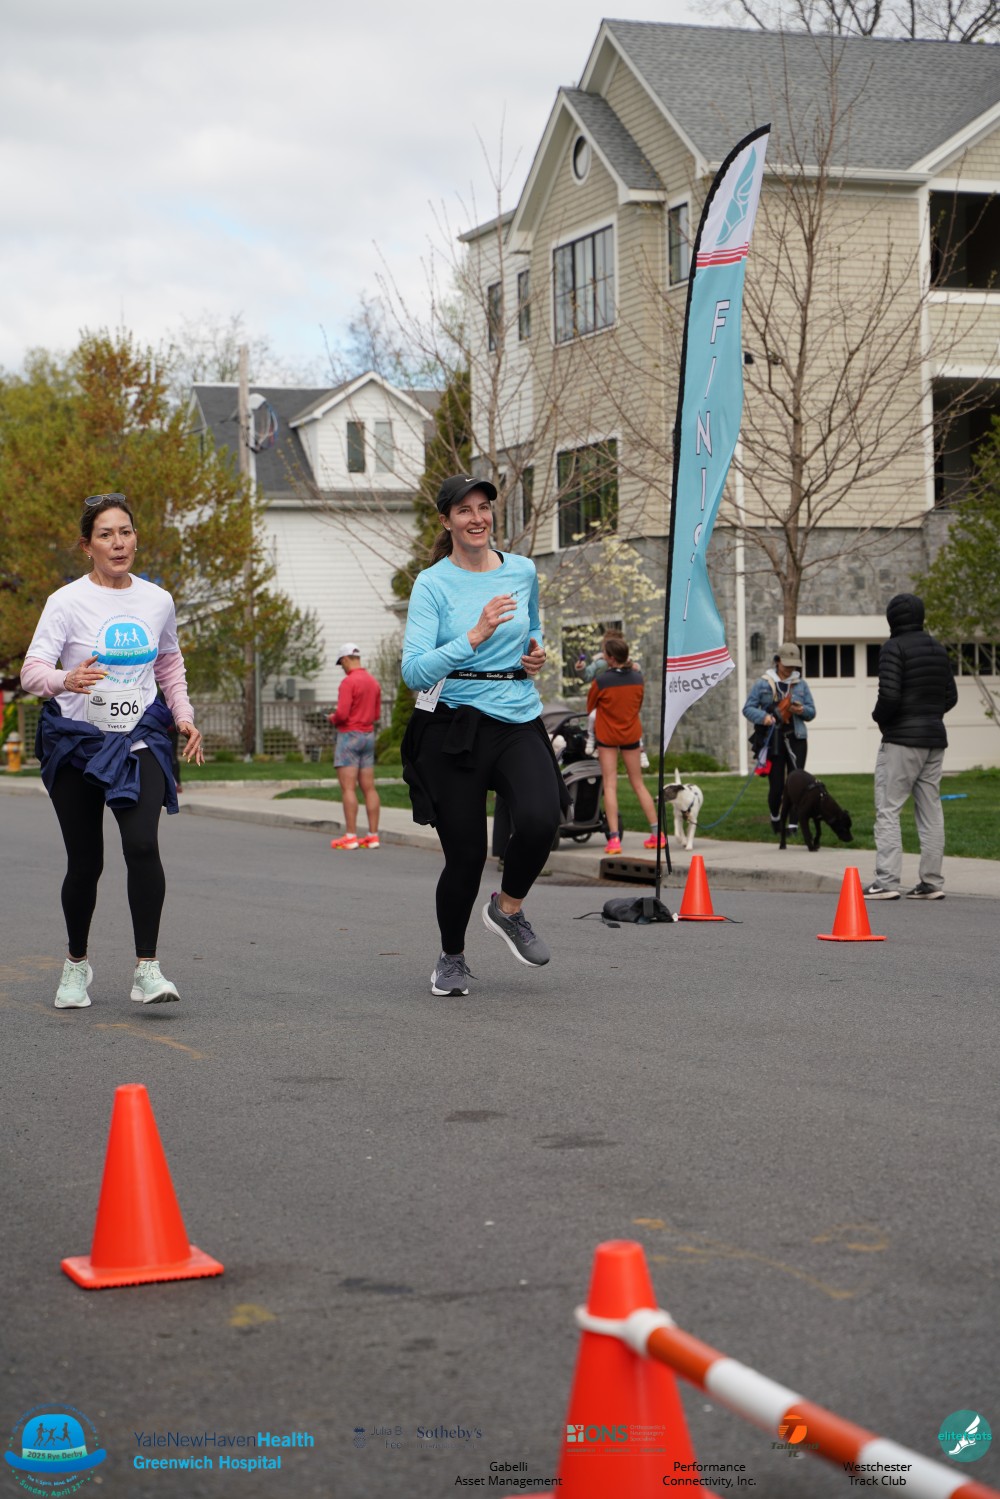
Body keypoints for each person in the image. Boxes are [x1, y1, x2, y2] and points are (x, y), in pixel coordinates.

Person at [20, 492, 203, 1009]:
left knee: (142, 845)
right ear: (87, 546)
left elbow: (169, 663)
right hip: (77, 744)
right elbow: (32, 671)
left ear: (136, 538)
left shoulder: (157, 600)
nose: (118, 543)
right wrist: (66, 678)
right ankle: (76, 964)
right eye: (106, 535)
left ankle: (147, 969)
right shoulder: (66, 602)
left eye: (125, 532)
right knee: (85, 863)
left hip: (138, 737)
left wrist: (183, 714)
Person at [400, 474, 563, 997]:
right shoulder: (432, 584)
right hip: (454, 726)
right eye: (465, 510)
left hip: (516, 715)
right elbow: (414, 671)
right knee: (466, 856)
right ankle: (451, 958)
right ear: (446, 521)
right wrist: (475, 634)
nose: (478, 518)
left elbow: (532, 627)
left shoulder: (522, 569)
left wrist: (534, 653)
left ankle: (508, 909)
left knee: (542, 817)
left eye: (484, 507)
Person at [864, 593, 957, 900]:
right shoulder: (938, 648)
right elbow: (951, 696)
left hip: (901, 740)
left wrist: (880, 719)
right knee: (931, 810)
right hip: (934, 739)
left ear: (892, 618)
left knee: (888, 809)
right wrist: (929, 715)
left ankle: (887, 881)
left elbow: (889, 697)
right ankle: (931, 882)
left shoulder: (893, 647)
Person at [586, 635, 663, 854]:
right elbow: (638, 704)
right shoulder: (638, 678)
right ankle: (657, 834)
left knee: (610, 784)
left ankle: (614, 840)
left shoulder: (601, 681)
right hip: (631, 734)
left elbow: (590, 707)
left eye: (605, 654)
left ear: (610, 658)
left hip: (607, 737)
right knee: (638, 784)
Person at [742, 643, 816, 835]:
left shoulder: (801, 684)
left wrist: (801, 710)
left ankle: (793, 824)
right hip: (773, 740)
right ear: (777, 661)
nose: (790, 668)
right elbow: (748, 708)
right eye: (786, 664)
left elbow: (812, 712)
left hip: (797, 739)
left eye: (793, 664)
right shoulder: (763, 683)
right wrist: (764, 718)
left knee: (797, 782)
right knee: (776, 786)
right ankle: (775, 817)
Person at [328, 641, 382, 850]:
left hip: (349, 736)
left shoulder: (348, 682)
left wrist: (332, 718)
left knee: (348, 787)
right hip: (368, 735)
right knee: (369, 787)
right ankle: (373, 836)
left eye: (341, 663)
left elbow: (342, 714)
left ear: (345, 659)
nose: (342, 667)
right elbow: (376, 714)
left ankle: (351, 836)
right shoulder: (373, 682)